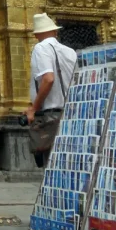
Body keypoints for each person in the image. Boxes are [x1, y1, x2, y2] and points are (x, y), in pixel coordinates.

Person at [26, 13, 77, 166]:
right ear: (55, 32)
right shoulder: (70, 51)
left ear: (36, 35)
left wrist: (34, 108)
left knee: (52, 163)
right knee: (68, 163)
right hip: (72, 113)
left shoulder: (41, 48)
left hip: (52, 116)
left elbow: (48, 78)